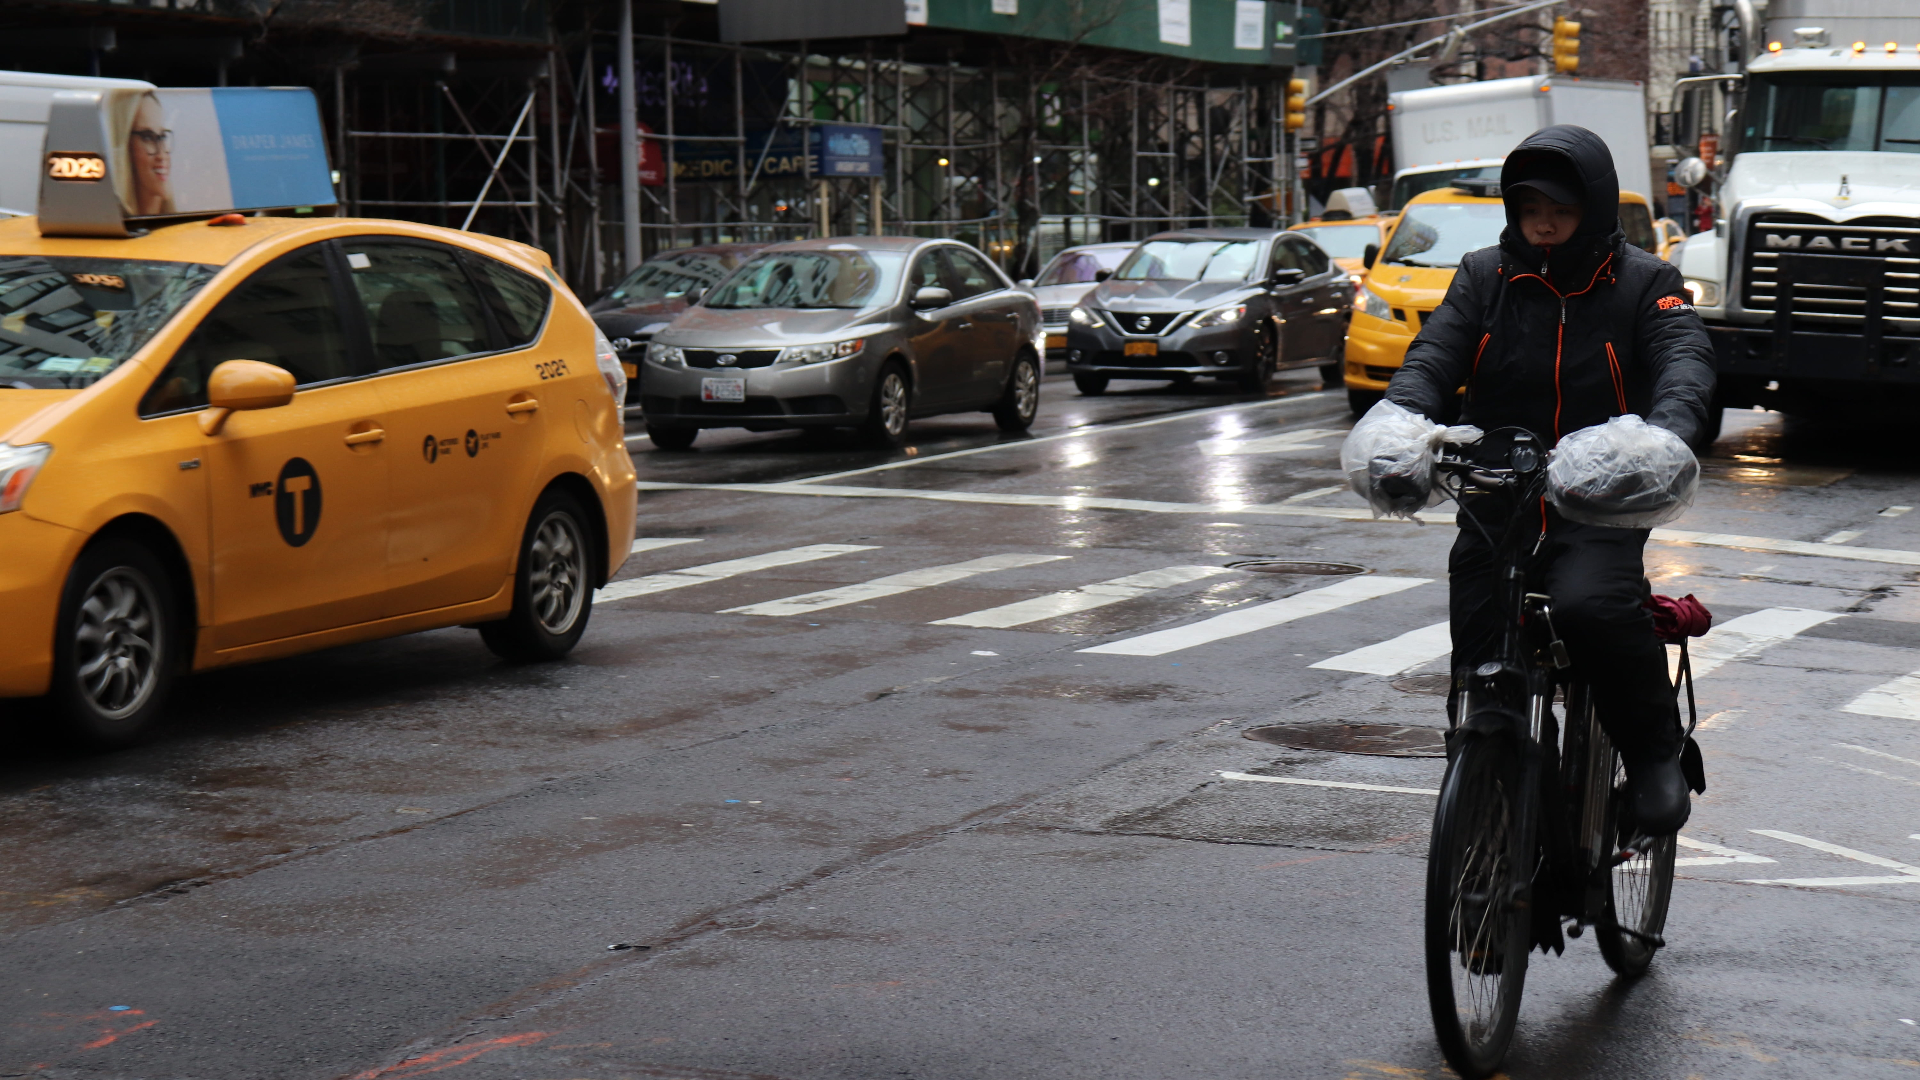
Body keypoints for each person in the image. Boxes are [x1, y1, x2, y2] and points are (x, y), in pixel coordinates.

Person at [1384, 125, 1716, 833]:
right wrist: (1399, 424)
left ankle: (1654, 753)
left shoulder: (1647, 282)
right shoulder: (1483, 275)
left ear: (1593, 208)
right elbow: (1434, 355)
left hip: (1603, 498)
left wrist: (1661, 437)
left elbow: (1684, 361)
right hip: (1496, 495)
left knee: (1590, 606)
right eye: (1529, 206)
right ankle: (1499, 787)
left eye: (1560, 208)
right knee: (1482, 639)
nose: (1543, 221)